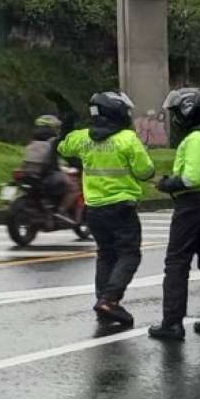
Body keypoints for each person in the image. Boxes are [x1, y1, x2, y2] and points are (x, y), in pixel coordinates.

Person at [58, 92, 156, 327]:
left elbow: (63, 147)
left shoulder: (82, 138)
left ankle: (103, 303)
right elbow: (146, 171)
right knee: (129, 254)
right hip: (122, 208)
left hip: (94, 210)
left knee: (105, 254)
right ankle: (110, 300)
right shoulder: (127, 139)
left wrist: (67, 121)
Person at [148, 88, 200, 341]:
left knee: (177, 262)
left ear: (188, 110)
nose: (174, 119)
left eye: (176, 113)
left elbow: (191, 178)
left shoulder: (196, 139)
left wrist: (167, 183)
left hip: (193, 203)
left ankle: (172, 323)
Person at [21, 114, 78, 220]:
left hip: (28, 173)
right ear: (52, 127)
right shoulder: (54, 141)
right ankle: (62, 210)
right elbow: (62, 158)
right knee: (73, 188)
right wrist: (77, 163)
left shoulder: (32, 140)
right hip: (47, 175)